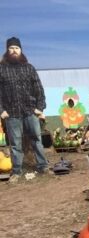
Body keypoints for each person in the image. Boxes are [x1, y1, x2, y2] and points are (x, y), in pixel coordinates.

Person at [0, 37, 49, 183]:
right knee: (15, 144)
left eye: (16, 48)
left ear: (21, 50)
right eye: (11, 48)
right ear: (7, 51)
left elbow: (38, 89)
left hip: (30, 111)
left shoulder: (29, 68)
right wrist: (1, 110)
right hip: (11, 113)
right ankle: (17, 171)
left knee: (36, 139)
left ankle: (43, 166)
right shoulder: (1, 69)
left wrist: (39, 108)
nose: (14, 51)